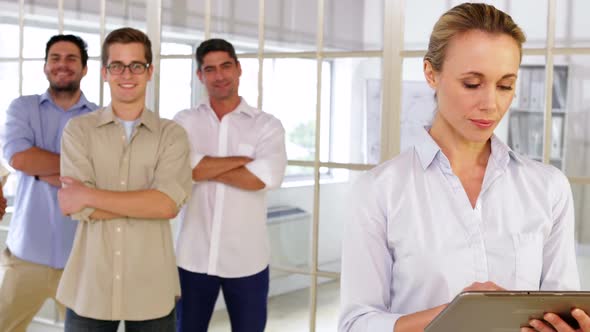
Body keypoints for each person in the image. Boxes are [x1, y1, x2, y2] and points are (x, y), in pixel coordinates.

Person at [339, 3, 588, 332]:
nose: (491, 104)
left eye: (505, 85)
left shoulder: (548, 188)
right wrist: (459, 311)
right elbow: (356, 324)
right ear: (431, 74)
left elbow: (563, 308)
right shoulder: (379, 191)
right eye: (472, 83)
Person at [56, 27, 192, 332]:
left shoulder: (172, 135)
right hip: (90, 284)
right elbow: (74, 207)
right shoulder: (78, 131)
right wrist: (146, 202)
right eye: (116, 65)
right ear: (104, 72)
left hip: (152, 286)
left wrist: (90, 196)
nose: (126, 74)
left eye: (136, 65)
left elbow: (167, 205)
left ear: (150, 71)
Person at [173, 38, 287, 332]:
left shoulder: (267, 125)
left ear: (238, 68)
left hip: (247, 261)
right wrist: (241, 160)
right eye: (209, 69)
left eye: (225, 66)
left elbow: (265, 178)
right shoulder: (183, 122)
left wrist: (201, 166)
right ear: (200, 75)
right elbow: (179, 170)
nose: (219, 75)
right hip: (192, 259)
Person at [0, 34, 97, 332]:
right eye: (55, 58)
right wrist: (78, 172)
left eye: (71, 59)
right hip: (27, 255)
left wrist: (41, 170)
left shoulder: (100, 119)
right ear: (45, 66)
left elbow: (103, 174)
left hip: (80, 260)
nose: (62, 65)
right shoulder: (23, 108)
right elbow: (18, 158)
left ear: (84, 69)